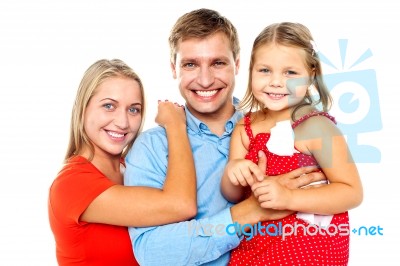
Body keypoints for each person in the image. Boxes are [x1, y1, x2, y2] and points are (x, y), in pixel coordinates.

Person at [124, 9, 326, 265]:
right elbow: (152, 252)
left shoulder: (286, 129)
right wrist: (248, 212)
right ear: (173, 68)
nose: (206, 80)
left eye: (218, 63)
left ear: (238, 64)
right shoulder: (152, 147)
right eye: (190, 64)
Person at [220, 22, 363, 265]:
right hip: (256, 243)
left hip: (309, 247)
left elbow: (352, 192)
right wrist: (234, 171)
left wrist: (288, 198)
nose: (276, 82)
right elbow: (232, 195)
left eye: (290, 73)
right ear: (250, 70)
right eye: (265, 70)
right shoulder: (246, 128)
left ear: (311, 75)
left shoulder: (316, 127)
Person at [48, 59, 198, 265]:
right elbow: (182, 205)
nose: (123, 122)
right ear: (83, 108)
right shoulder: (72, 184)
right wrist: (175, 125)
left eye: (133, 109)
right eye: (109, 106)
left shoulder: (134, 167)